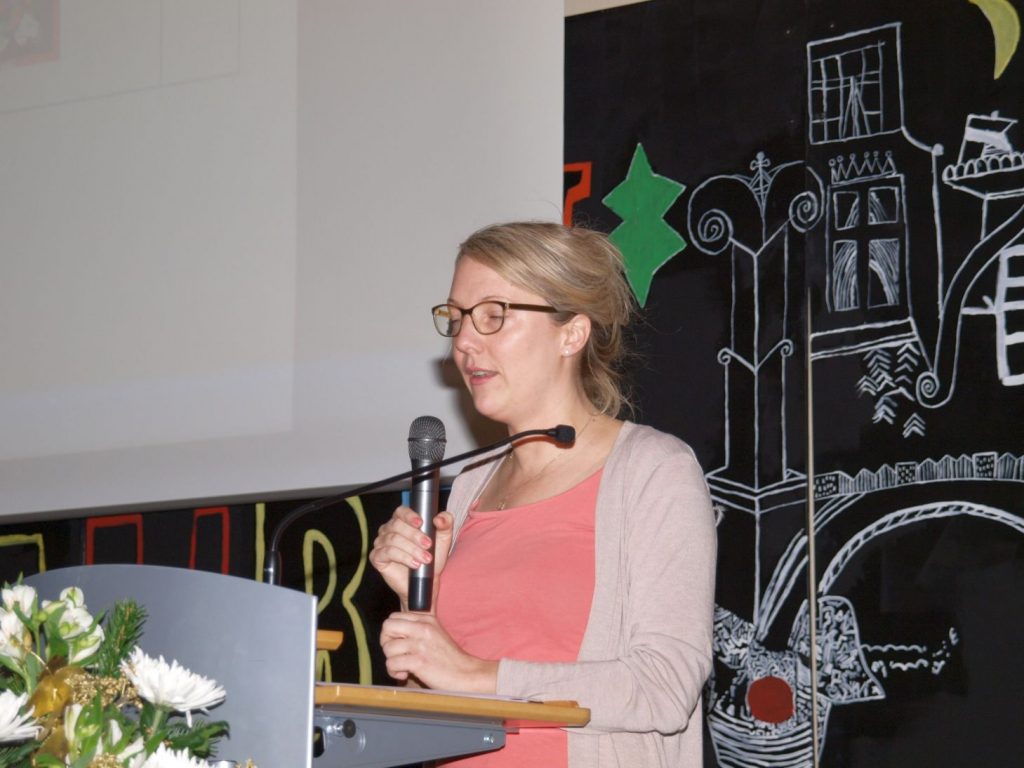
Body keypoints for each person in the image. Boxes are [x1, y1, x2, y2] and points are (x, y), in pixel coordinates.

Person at [369, 221, 716, 767]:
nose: (464, 341)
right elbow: (435, 703)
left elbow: (665, 687)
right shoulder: (470, 485)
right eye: (456, 319)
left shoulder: (653, 471)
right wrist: (419, 602)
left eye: (493, 315)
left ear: (571, 334)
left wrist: (477, 674)